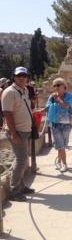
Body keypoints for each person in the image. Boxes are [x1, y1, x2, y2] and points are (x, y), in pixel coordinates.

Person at [1, 67, 35, 201]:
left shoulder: (25, 90)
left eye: (24, 75)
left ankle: (20, 185)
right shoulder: (9, 92)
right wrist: (14, 134)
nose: (22, 78)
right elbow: (7, 114)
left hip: (26, 130)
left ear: (27, 77)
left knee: (22, 159)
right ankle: (14, 190)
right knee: (21, 160)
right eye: (19, 75)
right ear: (13, 77)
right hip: (17, 131)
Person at [44, 78, 72, 172]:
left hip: (67, 124)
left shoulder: (69, 96)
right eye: (55, 85)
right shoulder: (52, 97)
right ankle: (64, 164)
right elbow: (48, 106)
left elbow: (67, 106)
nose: (56, 87)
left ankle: (59, 159)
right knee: (61, 145)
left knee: (63, 144)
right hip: (55, 124)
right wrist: (41, 111)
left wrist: (58, 100)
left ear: (64, 87)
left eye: (58, 85)